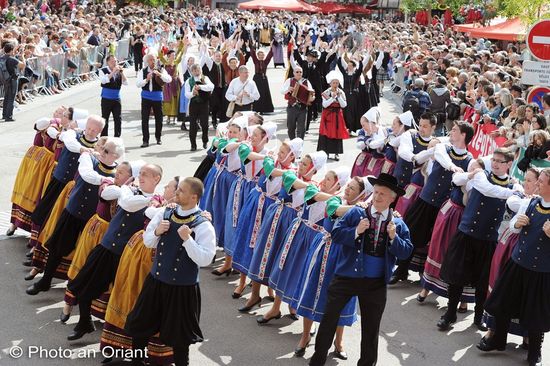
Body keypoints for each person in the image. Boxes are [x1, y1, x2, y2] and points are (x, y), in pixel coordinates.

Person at [309, 173, 413, 366]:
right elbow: (336, 232)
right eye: (375, 192)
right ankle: (317, 361)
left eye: (382, 194)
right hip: (346, 277)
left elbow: (406, 251)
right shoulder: (357, 213)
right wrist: (356, 231)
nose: (377, 197)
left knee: (371, 330)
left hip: (375, 284)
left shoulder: (397, 223)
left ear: (392, 198)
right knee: (329, 319)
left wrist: (393, 238)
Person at [65, 164, 163, 340]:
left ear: (157, 179)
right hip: (107, 247)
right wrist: (127, 187)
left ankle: (119, 342)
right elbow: (124, 201)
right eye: (140, 174)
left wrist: (135, 193)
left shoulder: (157, 201)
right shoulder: (128, 192)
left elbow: (138, 207)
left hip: (128, 255)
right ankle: (85, 321)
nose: (141, 177)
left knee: (124, 300)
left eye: (146, 175)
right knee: (82, 285)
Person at [125, 177, 216, 366]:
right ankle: (138, 362)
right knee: (140, 325)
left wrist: (188, 240)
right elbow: (148, 241)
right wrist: (157, 231)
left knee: (180, 339)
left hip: (182, 289)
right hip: (156, 281)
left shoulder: (203, 225)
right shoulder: (165, 213)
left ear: (194, 197)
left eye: (181, 191)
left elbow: (206, 259)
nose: (176, 193)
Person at [26, 136, 122, 296]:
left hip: (91, 220)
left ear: (116, 156)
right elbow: (86, 175)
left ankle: (73, 293)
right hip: (73, 211)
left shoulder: (117, 173)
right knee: (57, 247)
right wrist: (106, 180)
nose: (102, 152)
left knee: (84, 255)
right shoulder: (88, 157)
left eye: (107, 151)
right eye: (103, 148)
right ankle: (45, 280)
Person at [438, 148, 519, 331]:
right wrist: (470, 174)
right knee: (456, 277)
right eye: (494, 160)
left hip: (488, 239)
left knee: (483, 282)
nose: (496, 164)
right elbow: (466, 182)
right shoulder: (482, 176)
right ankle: (450, 314)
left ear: (509, 164)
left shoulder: (514, 186)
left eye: (500, 161)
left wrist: (517, 190)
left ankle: (478, 316)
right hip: (466, 234)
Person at [478, 168, 550, 366]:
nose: (537, 184)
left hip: (541, 272)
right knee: (503, 303)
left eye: (541, 182)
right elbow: (511, 227)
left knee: (536, 315)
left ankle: (535, 353)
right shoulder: (530, 203)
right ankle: (498, 340)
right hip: (518, 264)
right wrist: (517, 224)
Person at [136, 54, 172, 148]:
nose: (152, 61)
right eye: (150, 60)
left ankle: (158, 137)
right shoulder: (142, 71)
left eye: (154, 59)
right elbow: (138, 84)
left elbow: (169, 79)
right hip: (146, 97)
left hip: (157, 97)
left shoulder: (160, 69)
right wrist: (146, 79)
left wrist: (160, 74)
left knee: (159, 119)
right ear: (147, 61)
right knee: (144, 119)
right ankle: (145, 140)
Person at [317, 70, 349, 161]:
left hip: (337, 115)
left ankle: (336, 153)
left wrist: (338, 97)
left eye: (337, 83)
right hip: (328, 115)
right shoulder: (326, 92)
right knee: (326, 133)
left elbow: (344, 105)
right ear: (330, 83)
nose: (335, 84)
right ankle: (326, 152)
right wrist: (332, 98)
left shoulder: (341, 92)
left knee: (337, 133)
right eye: (333, 83)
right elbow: (325, 104)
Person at [184, 63, 214, 151]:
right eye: (195, 71)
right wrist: (193, 93)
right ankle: (193, 144)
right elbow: (187, 94)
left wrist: (200, 87)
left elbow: (211, 87)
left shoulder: (205, 78)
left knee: (204, 124)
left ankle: (205, 140)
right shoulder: (188, 81)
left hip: (204, 104)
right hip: (193, 104)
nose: (197, 72)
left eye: (198, 70)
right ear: (192, 72)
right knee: (193, 125)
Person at [282, 66, 314, 140]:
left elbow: (311, 91)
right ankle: (292, 142)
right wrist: (288, 89)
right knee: (291, 127)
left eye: (300, 72)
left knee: (301, 128)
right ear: (293, 73)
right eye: (297, 72)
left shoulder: (306, 81)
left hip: (302, 107)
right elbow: (282, 91)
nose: (299, 73)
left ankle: (299, 144)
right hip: (292, 107)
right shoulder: (289, 80)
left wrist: (312, 97)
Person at [99, 55, 127, 137]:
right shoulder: (103, 71)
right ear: (107, 62)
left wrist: (122, 73)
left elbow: (126, 83)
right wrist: (113, 72)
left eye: (115, 61)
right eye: (112, 62)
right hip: (106, 98)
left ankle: (117, 137)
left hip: (116, 98)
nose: (114, 63)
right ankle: (104, 137)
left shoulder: (119, 71)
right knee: (105, 119)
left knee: (118, 119)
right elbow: (104, 81)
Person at [2, 42, 25, 122]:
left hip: (5, 79)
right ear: (11, 50)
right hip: (12, 79)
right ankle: (9, 116)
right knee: (11, 97)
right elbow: (22, 65)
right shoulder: (11, 59)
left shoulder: (2, 58)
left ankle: (4, 115)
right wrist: (22, 56)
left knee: (6, 97)